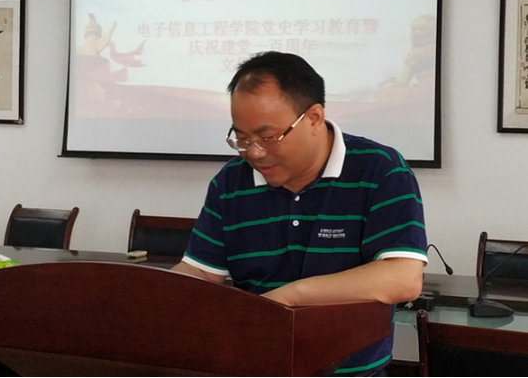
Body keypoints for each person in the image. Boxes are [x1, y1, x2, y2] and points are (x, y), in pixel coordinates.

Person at [172, 51, 428, 377]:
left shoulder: (380, 170)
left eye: (268, 138)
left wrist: (291, 297)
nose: (254, 153)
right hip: (257, 365)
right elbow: (201, 273)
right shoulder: (230, 183)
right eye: (241, 138)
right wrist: (156, 296)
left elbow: (403, 278)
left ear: (314, 118)